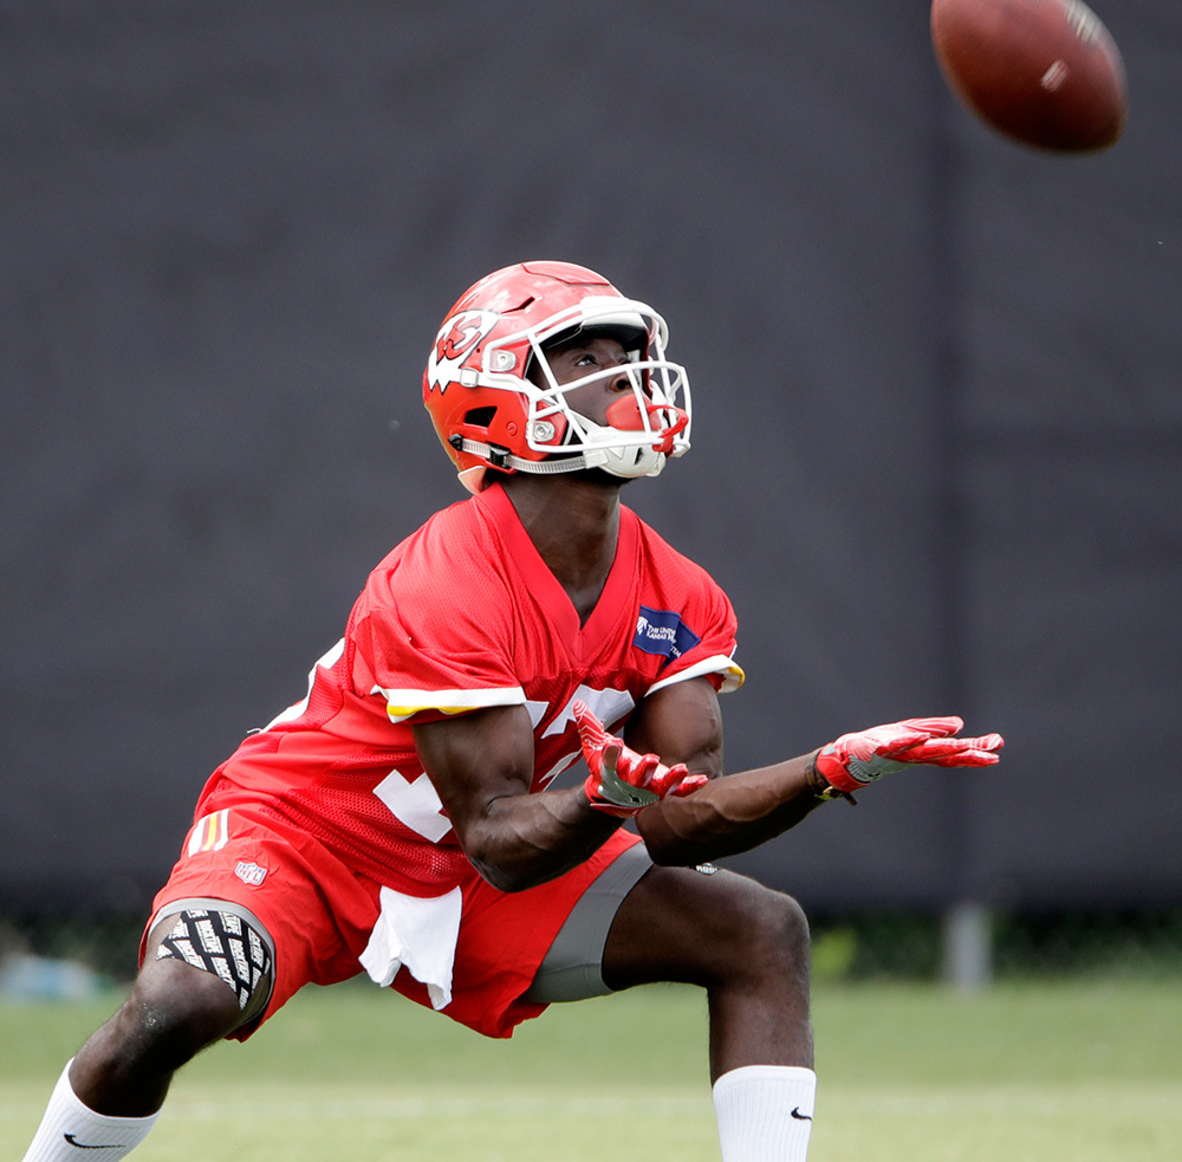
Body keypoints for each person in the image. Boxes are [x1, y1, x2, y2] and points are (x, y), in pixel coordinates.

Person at [22, 260, 1003, 1162]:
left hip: (477, 856)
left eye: (631, 358)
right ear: (497, 399)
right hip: (312, 834)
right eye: (585, 359)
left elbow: (678, 818)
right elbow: (497, 834)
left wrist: (832, 769)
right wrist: (598, 803)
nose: (627, 379)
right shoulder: (447, 576)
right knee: (184, 997)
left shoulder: (680, 597)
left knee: (758, 931)